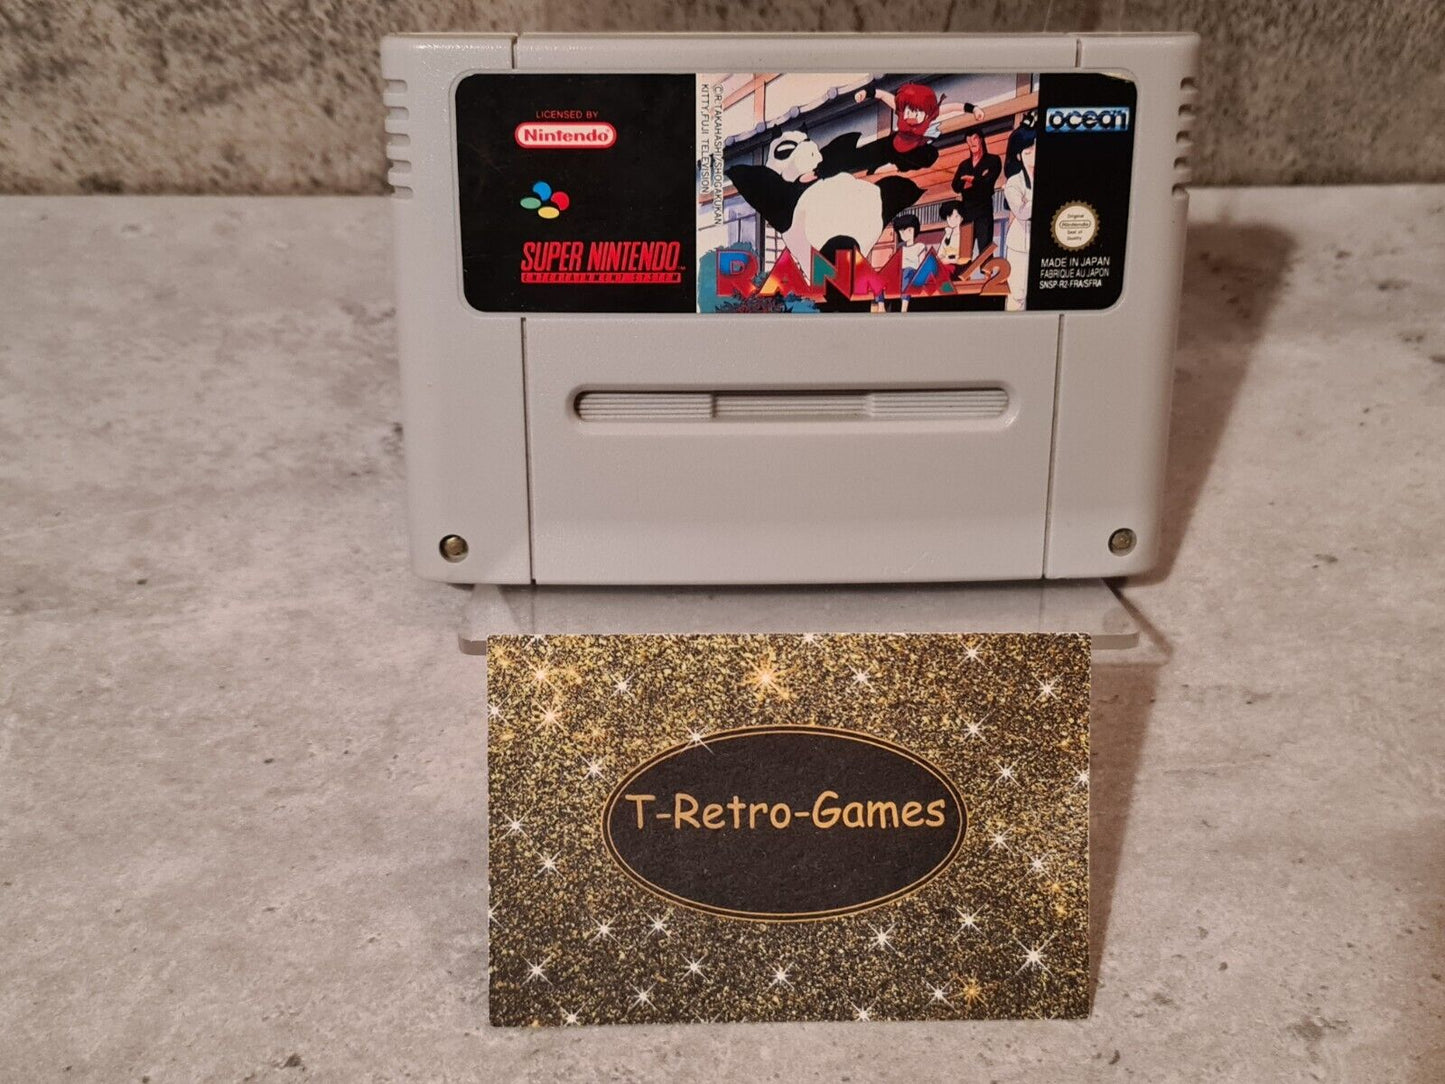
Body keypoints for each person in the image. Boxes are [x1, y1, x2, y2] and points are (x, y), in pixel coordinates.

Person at [841, 83, 985, 175]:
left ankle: (890, 166)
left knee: (930, 155)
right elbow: (883, 95)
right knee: (865, 155)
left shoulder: (931, 114)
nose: (911, 115)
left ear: (926, 112)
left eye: (917, 112)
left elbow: (954, 107)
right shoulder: (901, 109)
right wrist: (865, 93)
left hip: (913, 151)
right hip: (894, 144)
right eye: (909, 111)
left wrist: (975, 109)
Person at [950, 128, 1002, 260]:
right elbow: (955, 185)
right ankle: (963, 273)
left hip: (984, 210)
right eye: (968, 140)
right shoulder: (964, 165)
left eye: (974, 138)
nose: (971, 143)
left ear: (981, 139)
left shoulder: (993, 160)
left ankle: (987, 272)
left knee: (985, 249)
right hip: (966, 211)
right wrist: (975, 181)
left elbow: (988, 182)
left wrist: (972, 180)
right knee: (964, 252)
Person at [1001, 124, 1036, 311]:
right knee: (1018, 295)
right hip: (1020, 245)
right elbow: (1022, 212)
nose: (1034, 155)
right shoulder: (1014, 183)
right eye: (1028, 151)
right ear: (1019, 156)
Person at [893, 213, 926, 312]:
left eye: (907, 230)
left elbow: (922, 265)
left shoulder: (920, 246)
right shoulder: (900, 248)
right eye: (901, 231)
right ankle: (881, 305)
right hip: (901, 273)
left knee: (907, 271)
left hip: (914, 274)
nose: (903, 234)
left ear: (913, 230)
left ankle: (904, 308)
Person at [938, 200, 966, 267]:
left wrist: (949, 260)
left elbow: (964, 257)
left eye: (956, 216)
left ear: (962, 218)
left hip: (961, 266)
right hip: (946, 265)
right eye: (949, 217)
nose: (952, 220)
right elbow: (940, 254)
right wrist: (943, 259)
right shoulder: (947, 234)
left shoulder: (965, 234)